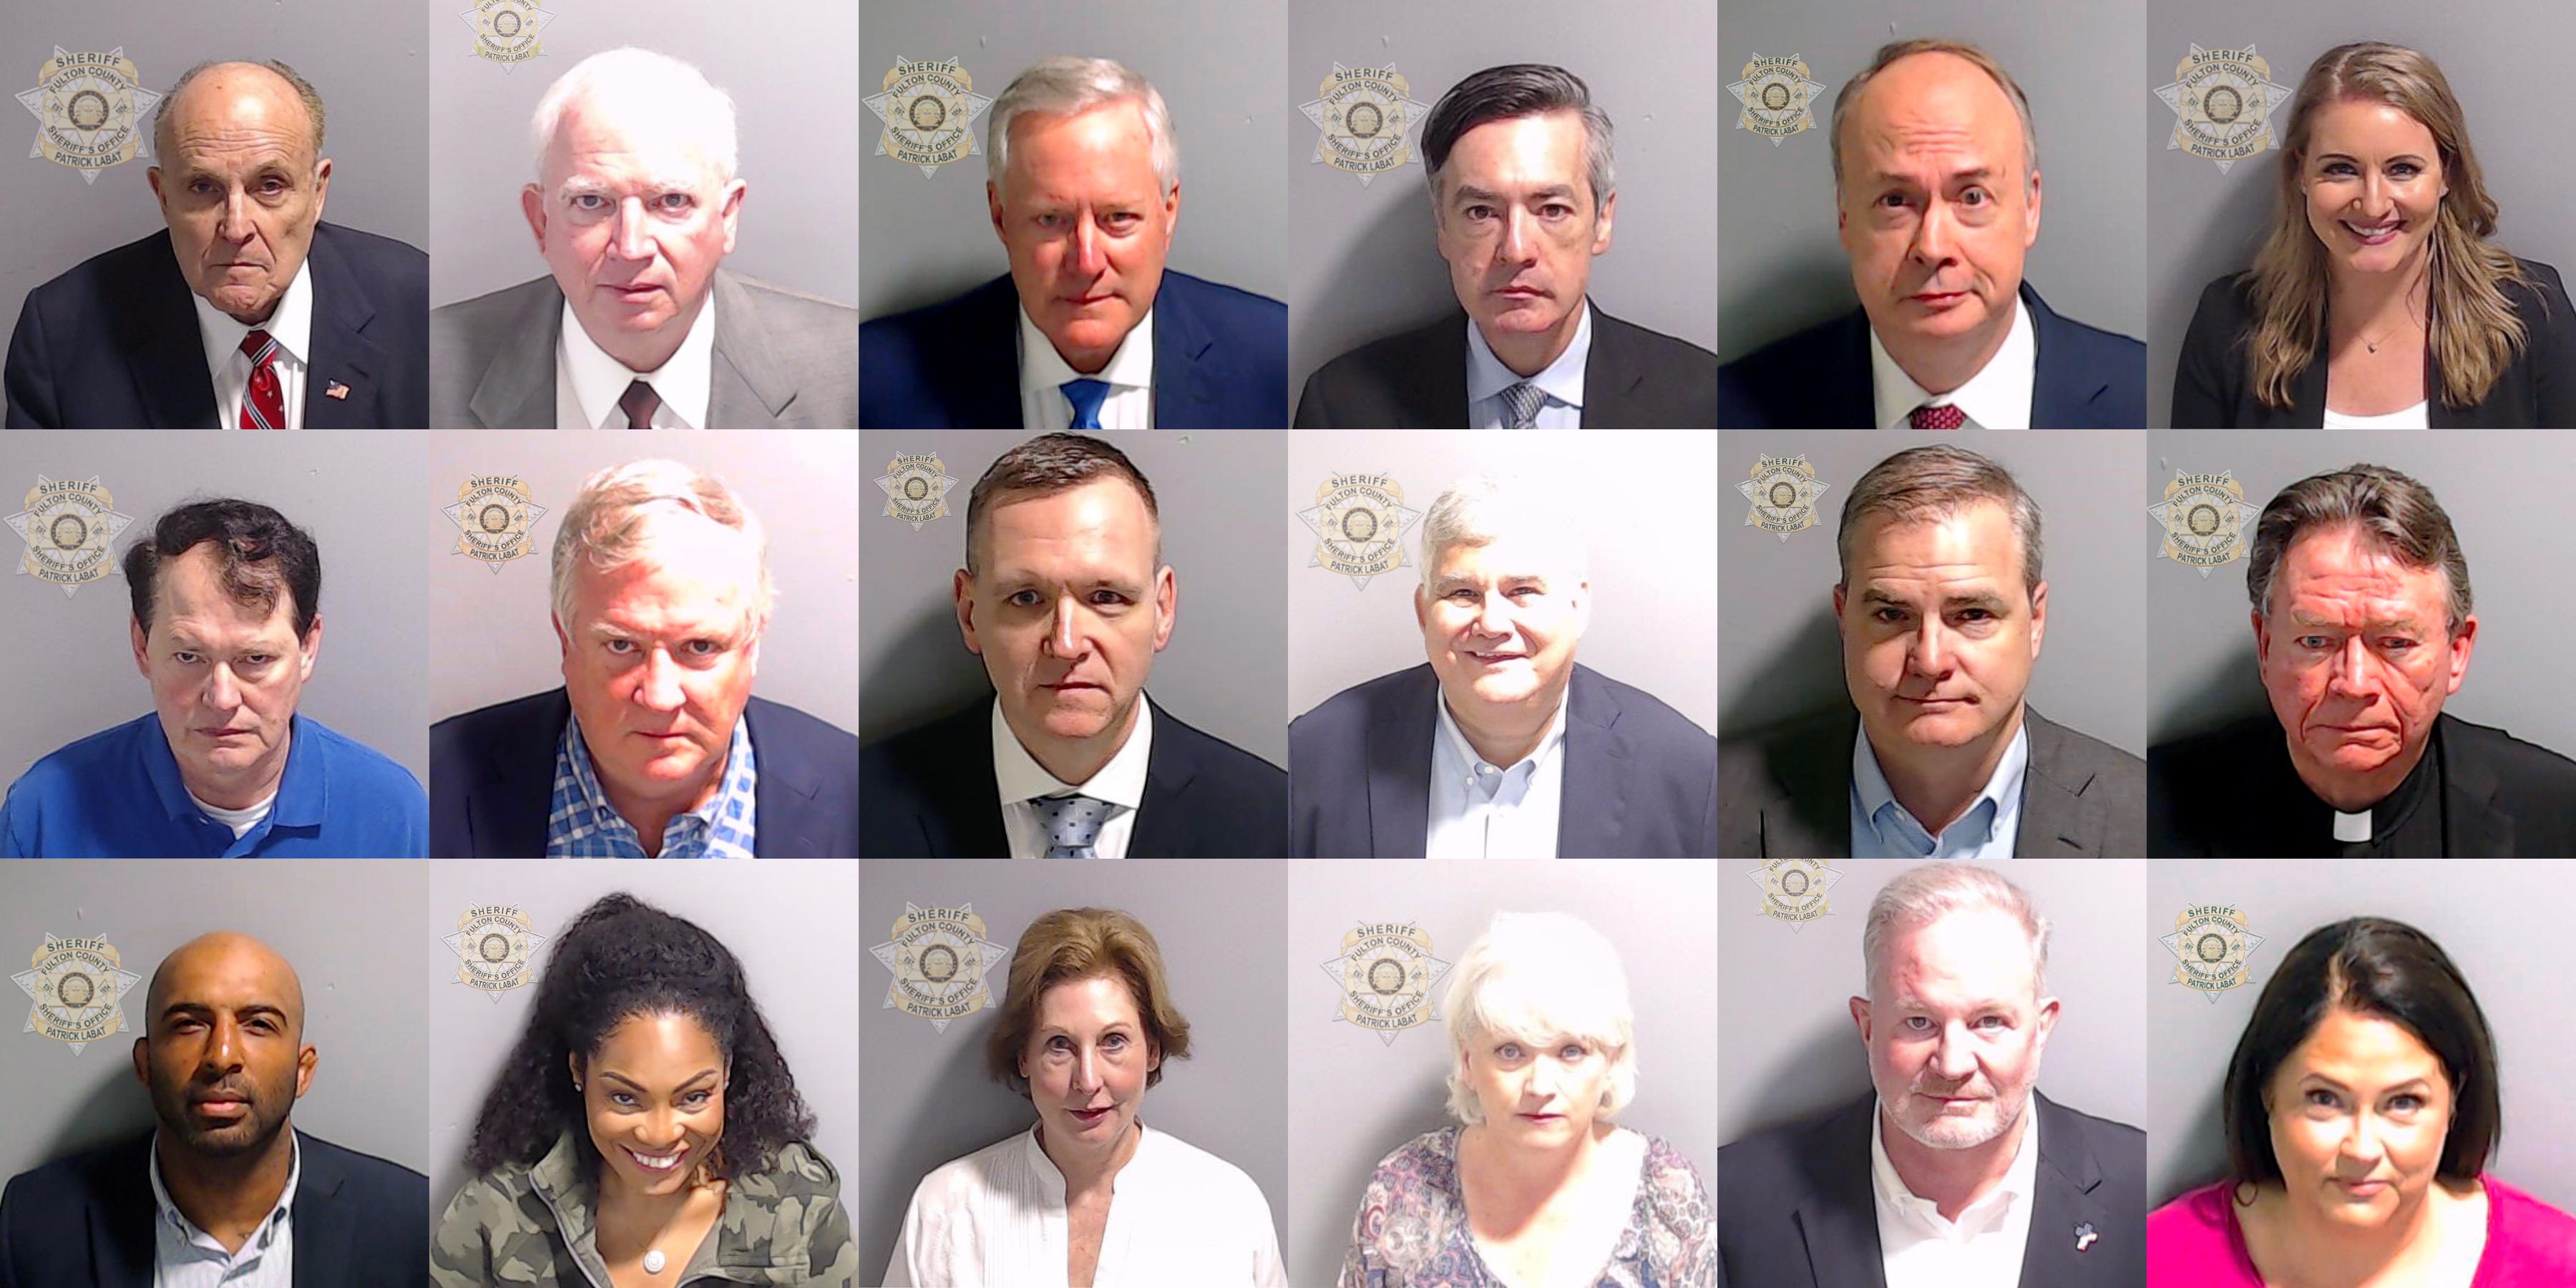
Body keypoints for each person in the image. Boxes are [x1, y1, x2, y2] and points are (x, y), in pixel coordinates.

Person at [1719, 864, 2145, 1288]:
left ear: (2041, 1028)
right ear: (1867, 1027)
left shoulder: (2140, 1191)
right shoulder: (1734, 1202)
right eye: (1920, 1021)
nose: (1953, 1064)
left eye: (1990, 1021)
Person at [860, 434, 1286, 857]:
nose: (1065, 644)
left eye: (1106, 597)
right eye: (1026, 598)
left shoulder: (1276, 818)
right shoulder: (857, 807)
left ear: (1163, 608)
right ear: (970, 614)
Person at [1719, 445, 2145, 857]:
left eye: (1973, 614)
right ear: (1844, 618)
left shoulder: (2144, 814)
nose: (1930, 660)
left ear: (2035, 619)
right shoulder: (1716, 804)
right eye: (1891, 614)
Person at [429, 460, 859, 857]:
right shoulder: (435, 782)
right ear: (566, 643)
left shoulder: (860, 791)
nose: (658, 697)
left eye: (700, 647)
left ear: (752, 645)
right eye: (621, 646)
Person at [1719, 39, 2145, 429]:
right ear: (1845, 215)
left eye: (1972, 197)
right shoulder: (1730, 410)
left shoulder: (2145, 394)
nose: (1933, 247)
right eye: (1895, 201)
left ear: (2030, 207)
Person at [2152, 464, 2576, 855]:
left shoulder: (2558, 809)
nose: (2353, 684)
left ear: (2458, 652)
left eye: (2395, 643)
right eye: (2316, 640)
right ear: (2265, 647)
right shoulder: (2150, 802)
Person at [432, 894, 854, 1284]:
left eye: (693, 1097)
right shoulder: (492, 1215)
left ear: (727, 1072)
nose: (660, 1133)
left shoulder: (800, 1204)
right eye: (625, 1098)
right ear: (579, 1070)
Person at [1289, 473, 1716, 858]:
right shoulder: (1312, 756)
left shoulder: (1691, 774)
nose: (1492, 624)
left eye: (1523, 591)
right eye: (1462, 593)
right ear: (1423, 612)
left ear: (1578, 605)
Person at [430, 48, 857, 429]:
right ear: (541, 222)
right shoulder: (427, 364)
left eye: (671, 201)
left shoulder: (852, 366)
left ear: (727, 217)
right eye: (592, 201)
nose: (631, 248)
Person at [861, 56, 1287, 429]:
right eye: (1050, 219)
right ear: (1001, 217)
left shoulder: (1274, 358)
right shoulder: (879, 380)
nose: (1086, 263)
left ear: (1168, 212)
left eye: (1118, 218)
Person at [2147, 917, 2576, 1284]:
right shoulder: (2156, 1260)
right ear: (2267, 1094)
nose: (2362, 1149)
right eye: (2324, 1099)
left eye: (2404, 1102)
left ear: (2454, 1102)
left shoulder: (2559, 1266)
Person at [4, 59, 429, 429]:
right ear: (163, 196)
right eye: (203, 186)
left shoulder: (416, 306)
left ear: (318, 192)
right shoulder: (61, 332)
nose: (236, 227)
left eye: (270, 185)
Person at [2170, 44, 2576, 428]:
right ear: (2301, 175)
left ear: (2447, 174)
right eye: (2341, 169)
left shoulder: (2535, 311)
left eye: (2402, 169)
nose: (2374, 205)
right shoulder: (2226, 322)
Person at [1296, 64, 1717, 428]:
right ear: (1442, 224)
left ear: (1602, 220)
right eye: (1482, 212)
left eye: (1552, 210)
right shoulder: (1343, 407)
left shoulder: (1707, 401)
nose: (1515, 251)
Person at [0, 499, 426, 857]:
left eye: (255, 658)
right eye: (189, 656)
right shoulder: (43, 810)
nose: (222, 700)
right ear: (141, 645)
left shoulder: (395, 810)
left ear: (308, 648)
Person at [0, 932, 428, 1284]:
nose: (221, 1056)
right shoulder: (33, 1222)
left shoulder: (408, 1218)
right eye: (189, 1023)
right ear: (145, 1065)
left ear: (303, 1070)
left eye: (258, 1024)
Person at [887, 907, 1284, 1285]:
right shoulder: (946, 1208)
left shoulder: (1229, 1207)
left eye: (1113, 1041)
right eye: (1060, 1045)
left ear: (1153, 1048)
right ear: (1024, 1056)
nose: (1088, 1080)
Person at [1340, 912, 1710, 1287]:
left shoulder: (1667, 1191)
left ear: (1612, 1061)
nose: (1540, 1086)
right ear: (1468, 1061)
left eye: (1571, 1052)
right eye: (1511, 1052)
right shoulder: (1404, 1188)